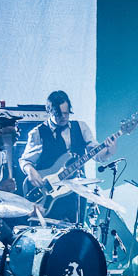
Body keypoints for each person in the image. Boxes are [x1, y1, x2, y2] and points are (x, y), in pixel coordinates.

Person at [20, 90, 116, 222]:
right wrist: (30, 170)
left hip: (76, 193)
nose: (64, 117)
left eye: (66, 113)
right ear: (49, 112)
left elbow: (97, 156)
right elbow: (25, 160)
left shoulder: (81, 128)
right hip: (49, 192)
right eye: (59, 114)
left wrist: (109, 151)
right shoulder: (37, 133)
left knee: (75, 233)